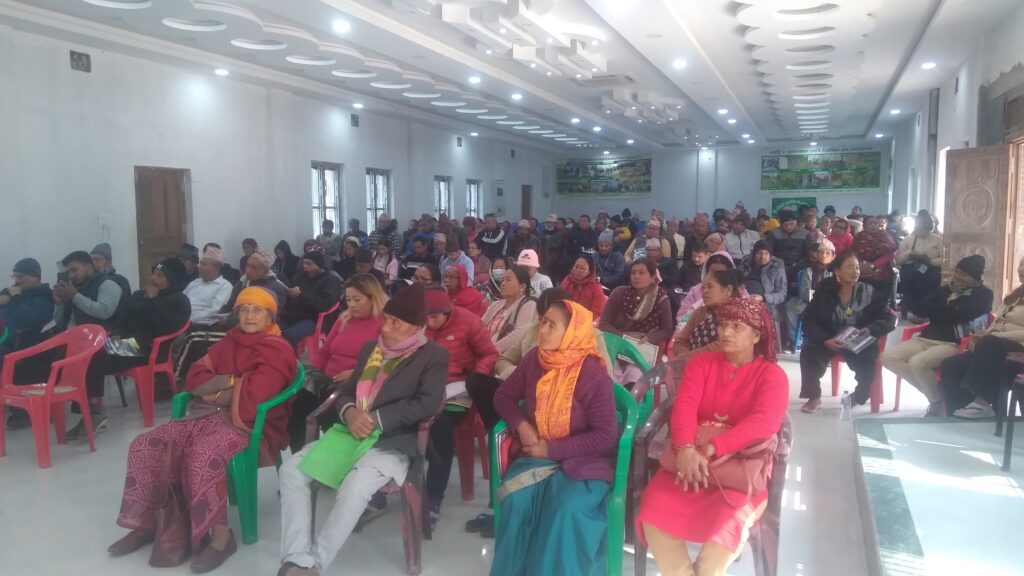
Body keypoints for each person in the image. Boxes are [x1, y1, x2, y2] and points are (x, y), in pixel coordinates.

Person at [108, 286, 295, 572]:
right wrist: (233, 382)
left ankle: (221, 538)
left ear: (270, 316)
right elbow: (194, 376)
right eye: (243, 310)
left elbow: (257, 394)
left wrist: (216, 389)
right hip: (203, 416)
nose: (249, 315)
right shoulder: (230, 340)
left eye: (257, 310)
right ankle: (148, 524)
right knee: (146, 444)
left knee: (203, 454)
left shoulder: (277, 348)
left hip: (245, 423)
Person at [278, 283, 447, 575]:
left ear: (416, 327)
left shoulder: (433, 355)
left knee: (354, 487)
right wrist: (350, 412)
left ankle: (315, 562)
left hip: (393, 441)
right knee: (291, 471)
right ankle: (296, 558)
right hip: (351, 434)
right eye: (387, 319)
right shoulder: (372, 348)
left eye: (396, 322)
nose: (386, 327)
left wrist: (376, 419)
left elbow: (428, 403)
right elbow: (347, 391)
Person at [637, 298, 787, 576]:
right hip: (686, 466)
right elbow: (684, 408)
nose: (726, 332)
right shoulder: (701, 364)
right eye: (723, 325)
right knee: (654, 514)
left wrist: (711, 448)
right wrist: (684, 448)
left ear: (756, 335)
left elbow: (763, 423)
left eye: (737, 326)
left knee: (721, 539)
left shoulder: (772, 375)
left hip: (739, 476)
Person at [490, 299, 617, 576]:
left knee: (565, 511)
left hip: (584, 461)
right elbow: (503, 396)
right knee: (516, 501)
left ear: (571, 333)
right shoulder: (534, 360)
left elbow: (606, 435)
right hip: (536, 455)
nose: (543, 330)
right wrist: (522, 425)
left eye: (552, 325)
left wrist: (551, 450)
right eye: (543, 322)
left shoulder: (591, 374)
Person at [76, 258, 191, 438]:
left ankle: (92, 414)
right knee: (88, 355)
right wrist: (117, 333)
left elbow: (167, 328)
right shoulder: (139, 295)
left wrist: (153, 300)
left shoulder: (179, 300)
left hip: (148, 349)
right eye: (154, 273)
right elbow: (123, 320)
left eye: (160, 275)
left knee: (97, 356)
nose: (153, 278)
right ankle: (89, 413)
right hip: (128, 344)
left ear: (171, 280)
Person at [423, 287, 499, 525]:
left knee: (441, 427)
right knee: (399, 422)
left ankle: (433, 496)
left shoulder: (469, 322)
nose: (429, 323)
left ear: (447, 312)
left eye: (435, 317)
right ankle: (387, 485)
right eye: (425, 317)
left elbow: (490, 354)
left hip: (458, 390)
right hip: (424, 388)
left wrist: (475, 377)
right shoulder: (418, 323)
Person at [881, 255, 992, 417]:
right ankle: (938, 396)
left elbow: (961, 315)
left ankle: (935, 403)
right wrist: (948, 311)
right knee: (887, 357)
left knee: (917, 363)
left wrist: (936, 311)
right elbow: (918, 308)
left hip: (953, 344)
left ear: (975, 277)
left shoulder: (983, 294)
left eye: (964, 274)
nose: (957, 277)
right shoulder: (946, 290)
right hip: (924, 338)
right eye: (957, 272)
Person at [287, 274, 387, 453]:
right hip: (327, 381)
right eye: (348, 299)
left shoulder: (385, 323)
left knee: (329, 409)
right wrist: (313, 375)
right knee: (295, 403)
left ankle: (336, 454)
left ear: (373, 298)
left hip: (355, 386)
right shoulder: (344, 318)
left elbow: (385, 360)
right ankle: (300, 455)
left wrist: (355, 373)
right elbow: (325, 352)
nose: (351, 305)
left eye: (357, 299)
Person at [799, 252, 896, 413]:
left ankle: (859, 395)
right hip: (830, 335)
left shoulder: (869, 291)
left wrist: (870, 329)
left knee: (868, 357)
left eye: (857, 268)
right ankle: (814, 396)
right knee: (809, 352)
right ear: (837, 271)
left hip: (858, 335)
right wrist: (824, 340)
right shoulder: (825, 290)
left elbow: (889, 319)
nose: (855, 271)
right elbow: (809, 318)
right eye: (850, 267)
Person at [942, 257, 1024, 418]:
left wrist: (993, 335)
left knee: (990, 342)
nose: (1021, 269)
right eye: (1021, 264)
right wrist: (984, 334)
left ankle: (982, 403)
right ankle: (959, 415)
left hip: (1019, 351)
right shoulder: (1015, 295)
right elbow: (996, 322)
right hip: (997, 347)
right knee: (950, 365)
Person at [599, 258, 674, 348]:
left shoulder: (661, 299)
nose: (636, 276)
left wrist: (650, 338)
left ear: (652, 278)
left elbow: (667, 330)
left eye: (641, 273)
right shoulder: (619, 293)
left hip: (645, 346)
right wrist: (624, 338)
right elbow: (604, 323)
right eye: (633, 273)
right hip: (616, 342)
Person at [671, 268, 744, 359]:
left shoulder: (737, 315)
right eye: (703, 288)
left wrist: (686, 357)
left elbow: (720, 346)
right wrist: (687, 360)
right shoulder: (699, 312)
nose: (705, 291)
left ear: (728, 290)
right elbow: (679, 341)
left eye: (710, 287)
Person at [278, 251, 343, 346]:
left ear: (319, 265)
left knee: (289, 336)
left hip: (313, 319)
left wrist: (300, 295)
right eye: (304, 263)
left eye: (309, 264)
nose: (305, 266)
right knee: (273, 331)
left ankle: (289, 354)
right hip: (293, 315)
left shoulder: (331, 281)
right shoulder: (299, 277)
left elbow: (324, 305)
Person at [783, 239, 836, 351]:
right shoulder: (809, 271)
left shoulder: (836, 272)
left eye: (827, 253)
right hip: (809, 301)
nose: (824, 255)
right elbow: (805, 292)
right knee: (789, 307)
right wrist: (819, 297)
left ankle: (823, 341)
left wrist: (822, 298)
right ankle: (795, 340)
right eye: (821, 252)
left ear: (833, 256)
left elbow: (835, 292)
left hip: (829, 303)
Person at [0, 258, 53, 355]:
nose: (17, 280)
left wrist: (16, 298)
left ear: (34, 277)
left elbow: (25, 319)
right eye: (14, 276)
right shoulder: (13, 292)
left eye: (19, 276)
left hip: (14, 349)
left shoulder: (45, 298)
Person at [896, 210, 943, 320]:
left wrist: (930, 261)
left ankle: (926, 309)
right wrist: (909, 254)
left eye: (922, 230)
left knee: (933, 278)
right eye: (918, 229)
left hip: (931, 268)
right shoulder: (907, 240)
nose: (919, 232)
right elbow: (898, 260)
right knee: (908, 276)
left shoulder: (938, 240)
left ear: (929, 228)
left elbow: (944, 259)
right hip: (912, 267)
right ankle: (914, 308)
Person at [222, 247, 288, 313]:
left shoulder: (276, 289)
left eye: (253, 268)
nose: (247, 270)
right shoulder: (243, 282)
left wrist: (232, 319)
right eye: (247, 265)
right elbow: (229, 306)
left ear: (264, 271)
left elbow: (269, 315)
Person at [851, 215, 898, 303]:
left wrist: (873, 265)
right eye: (870, 223)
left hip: (880, 267)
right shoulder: (859, 236)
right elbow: (852, 252)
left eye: (875, 223)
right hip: (860, 267)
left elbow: (892, 253)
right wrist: (859, 264)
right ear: (865, 226)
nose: (873, 225)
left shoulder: (884, 235)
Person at [677, 252, 736, 320]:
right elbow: (683, 317)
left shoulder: (738, 291)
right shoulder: (696, 291)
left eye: (721, 273)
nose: (717, 277)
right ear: (706, 272)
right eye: (713, 272)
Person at [183, 246, 233, 326]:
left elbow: (214, 312)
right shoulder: (195, 282)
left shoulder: (224, 286)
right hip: (182, 321)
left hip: (201, 326)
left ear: (216, 267)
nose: (200, 267)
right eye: (200, 264)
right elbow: (181, 300)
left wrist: (187, 318)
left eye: (204, 264)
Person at [764, 210, 811, 295]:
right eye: (785, 225)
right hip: (779, 262)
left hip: (799, 263)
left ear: (796, 222)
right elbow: (769, 251)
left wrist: (798, 263)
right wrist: (778, 262)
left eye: (791, 224)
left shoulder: (805, 233)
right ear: (780, 224)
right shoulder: (773, 233)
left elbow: (808, 253)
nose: (788, 227)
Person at [738, 240, 787, 318]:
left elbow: (782, 294)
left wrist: (763, 297)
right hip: (743, 302)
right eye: (759, 253)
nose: (763, 256)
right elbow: (737, 282)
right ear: (754, 254)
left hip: (766, 306)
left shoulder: (777, 267)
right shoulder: (746, 263)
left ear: (770, 255)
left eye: (766, 253)